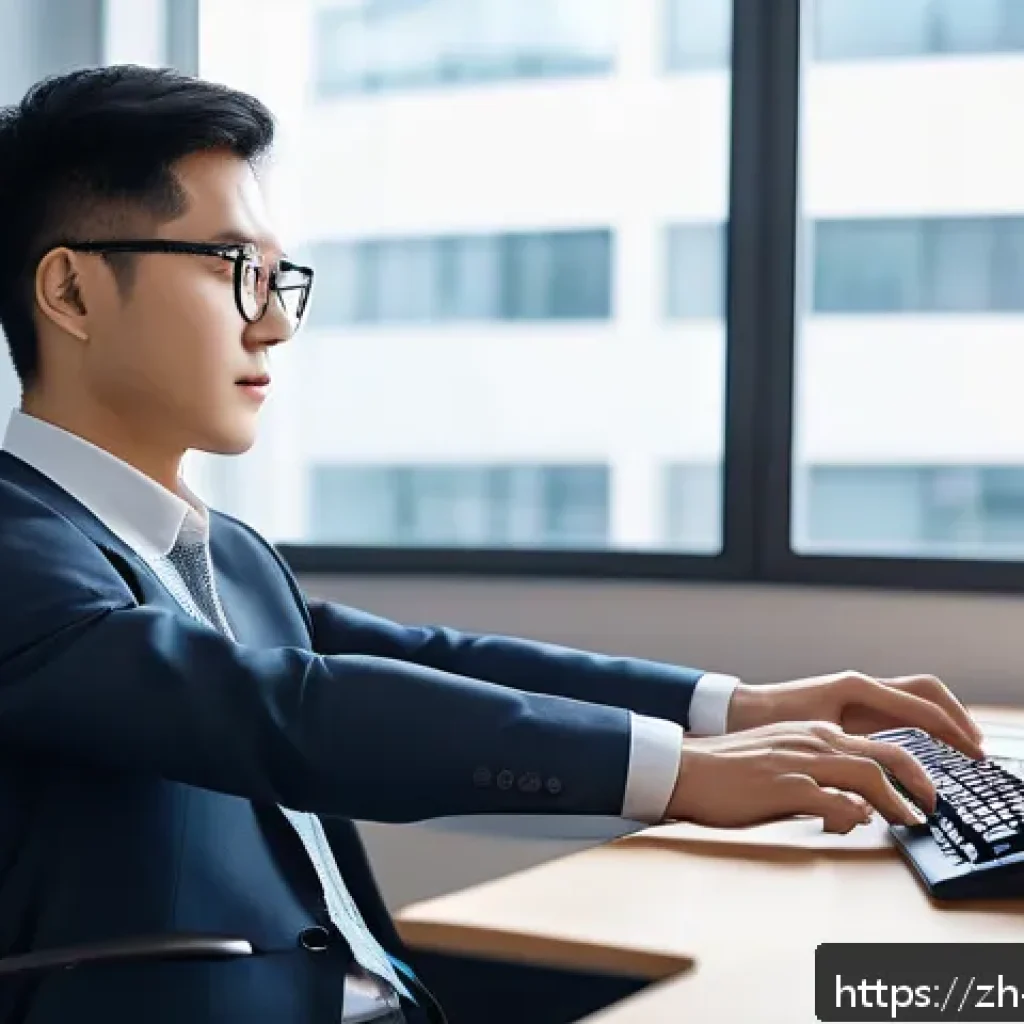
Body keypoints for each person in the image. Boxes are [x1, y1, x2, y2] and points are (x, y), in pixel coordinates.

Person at [0, 65, 985, 1024]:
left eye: (277, 277)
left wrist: (736, 709)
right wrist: (680, 771)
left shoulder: (228, 553)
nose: (273, 324)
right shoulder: (15, 546)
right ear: (73, 293)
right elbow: (290, 712)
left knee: (878, 997)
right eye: (234, 270)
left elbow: (410, 662)